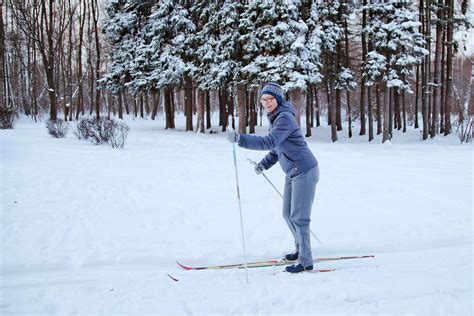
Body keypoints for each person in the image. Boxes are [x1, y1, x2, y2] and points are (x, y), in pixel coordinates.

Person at [227, 82, 319, 273]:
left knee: (299, 217)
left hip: (304, 170)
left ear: (278, 99)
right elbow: (277, 149)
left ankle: (306, 260)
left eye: (270, 99)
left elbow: (269, 141)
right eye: (263, 100)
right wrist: (263, 165)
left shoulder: (284, 118)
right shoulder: (276, 117)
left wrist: (240, 139)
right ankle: (300, 249)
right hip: (292, 171)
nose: (266, 103)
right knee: (287, 214)